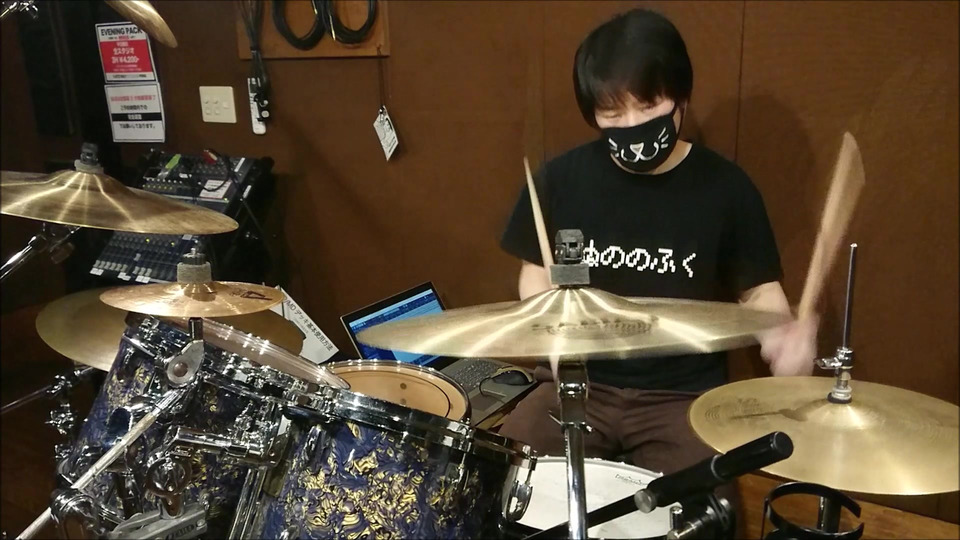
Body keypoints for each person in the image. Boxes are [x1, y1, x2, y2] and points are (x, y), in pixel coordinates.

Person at [497, 7, 818, 507]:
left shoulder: (727, 189)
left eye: (647, 106)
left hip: (682, 398)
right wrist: (553, 339)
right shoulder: (561, 180)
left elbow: (758, 290)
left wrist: (783, 336)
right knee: (507, 482)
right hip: (582, 383)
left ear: (680, 98)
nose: (632, 126)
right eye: (613, 114)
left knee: (705, 510)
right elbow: (535, 274)